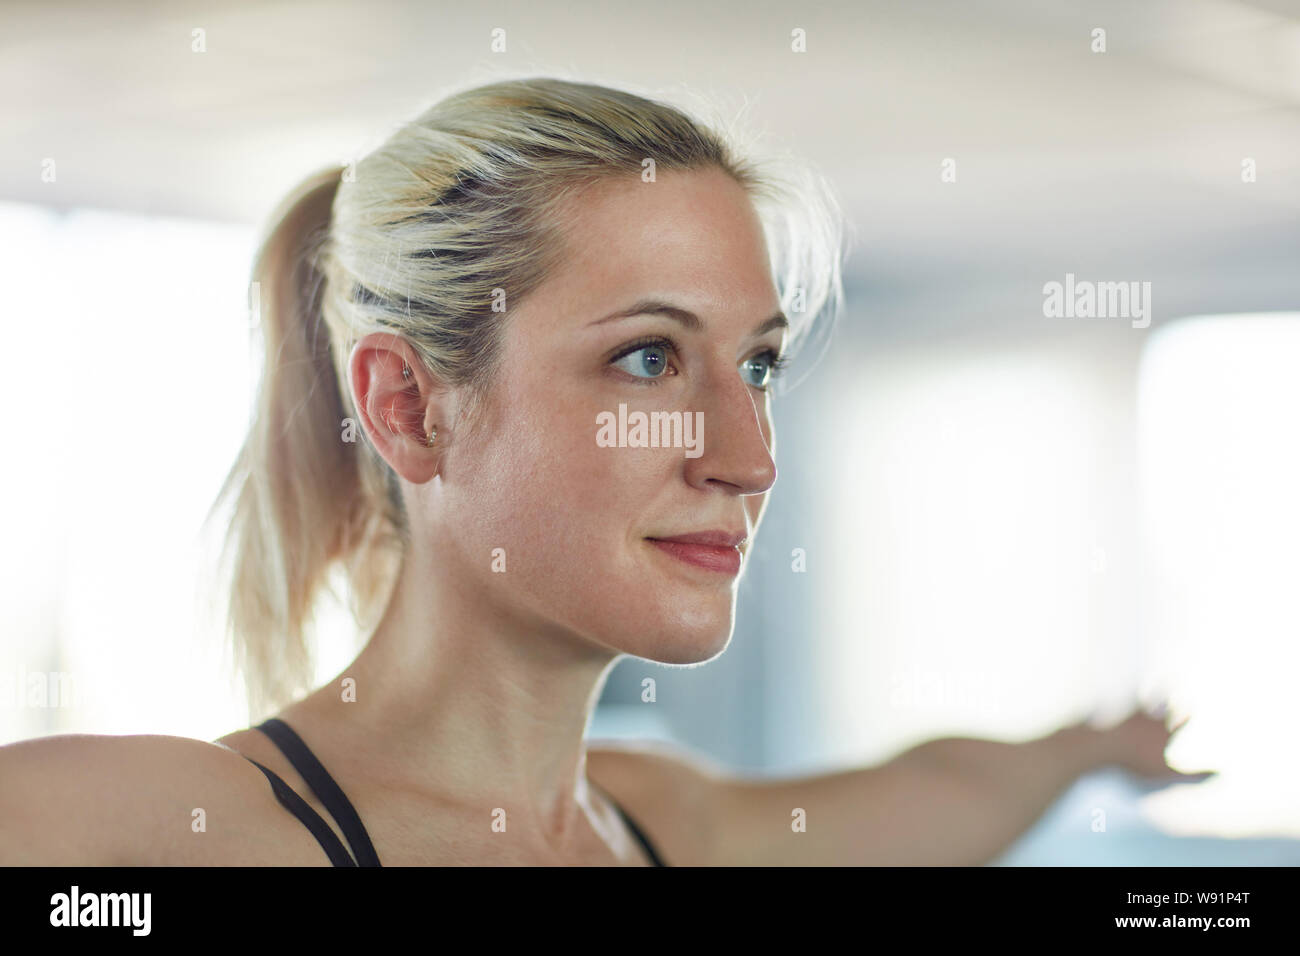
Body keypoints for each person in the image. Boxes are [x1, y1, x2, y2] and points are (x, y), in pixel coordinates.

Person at [0, 77, 1211, 866]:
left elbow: (938, 792)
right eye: (647, 357)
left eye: (758, 365)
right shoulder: (178, 832)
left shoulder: (662, 826)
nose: (748, 459)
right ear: (409, 405)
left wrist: (1087, 749)